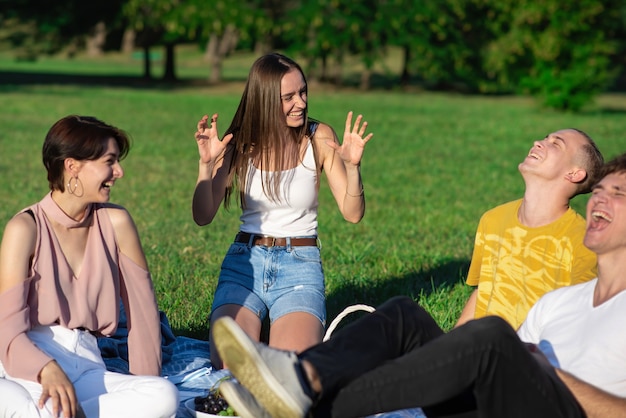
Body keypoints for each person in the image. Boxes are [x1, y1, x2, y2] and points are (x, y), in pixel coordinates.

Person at [210, 151, 626, 418]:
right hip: (496, 400)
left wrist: (549, 373)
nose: (600, 199)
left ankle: (299, 395)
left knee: (494, 335)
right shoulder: (562, 303)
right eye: (601, 189)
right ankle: (302, 378)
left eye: (619, 192)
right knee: (405, 315)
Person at [191, 52, 373, 368]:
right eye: (288, 97)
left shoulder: (319, 138)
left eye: (302, 92)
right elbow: (202, 214)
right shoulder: (239, 145)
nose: (300, 103)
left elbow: (352, 212)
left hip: (299, 266)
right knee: (232, 365)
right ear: (264, 100)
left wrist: (353, 166)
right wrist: (206, 165)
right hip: (244, 265)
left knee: (290, 369)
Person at [0, 115, 179, 418]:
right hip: (23, 361)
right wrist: (47, 369)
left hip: (86, 363)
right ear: (73, 166)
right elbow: (7, 329)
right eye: (109, 161)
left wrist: (145, 381)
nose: (119, 172)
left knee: (163, 395)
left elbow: (143, 315)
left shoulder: (116, 222)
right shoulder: (25, 228)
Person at [455, 128, 604, 329]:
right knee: (403, 312)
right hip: (477, 344)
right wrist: (453, 341)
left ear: (574, 173)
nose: (538, 142)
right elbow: (484, 291)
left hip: (524, 354)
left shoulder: (583, 243)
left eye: (556, 144)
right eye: (545, 138)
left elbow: (577, 322)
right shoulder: (493, 219)